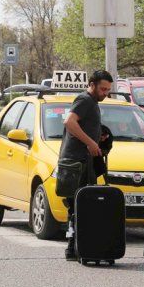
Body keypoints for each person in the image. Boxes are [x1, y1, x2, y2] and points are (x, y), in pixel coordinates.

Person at [58, 70, 113, 260]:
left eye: (108, 90)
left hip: (83, 161)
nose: (105, 93)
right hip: (77, 163)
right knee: (78, 205)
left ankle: (77, 248)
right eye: (103, 89)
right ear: (92, 84)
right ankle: (73, 248)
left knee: (80, 206)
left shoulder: (93, 103)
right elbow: (69, 122)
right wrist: (90, 142)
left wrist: (99, 138)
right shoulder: (85, 100)